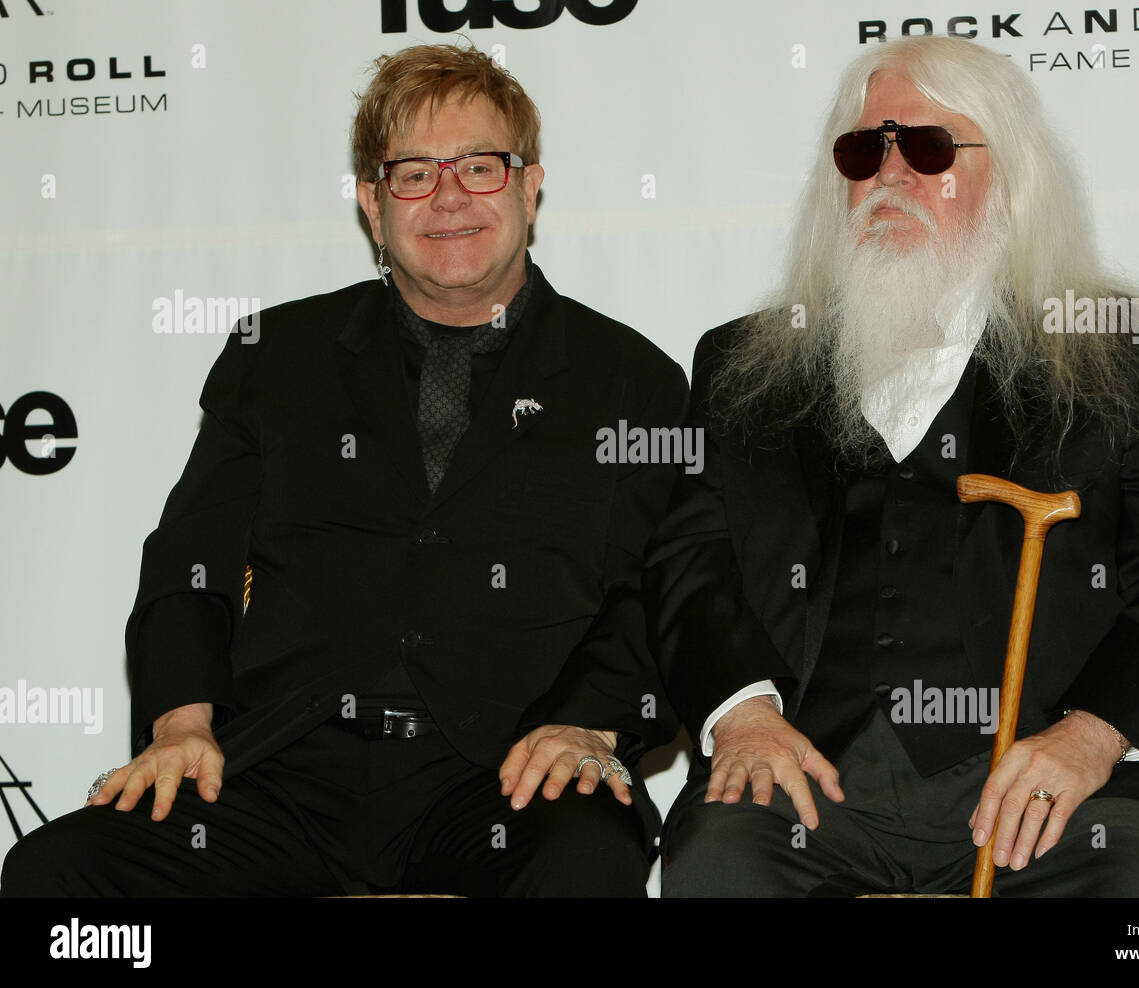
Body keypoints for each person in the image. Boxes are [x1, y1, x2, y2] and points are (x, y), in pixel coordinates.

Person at [2, 43, 686, 897]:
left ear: (529, 185)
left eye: (480, 166)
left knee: (584, 854)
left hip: (506, 773)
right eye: (412, 174)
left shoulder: (631, 378)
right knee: (57, 875)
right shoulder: (275, 357)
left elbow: (650, 592)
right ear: (372, 202)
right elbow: (190, 559)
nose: (448, 197)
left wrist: (588, 725)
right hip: (281, 772)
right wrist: (181, 721)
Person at [645, 36, 1139, 897]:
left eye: (927, 148)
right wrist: (742, 713)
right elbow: (688, 562)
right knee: (717, 860)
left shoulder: (1118, 352)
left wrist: (1090, 736)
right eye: (863, 152)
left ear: (1012, 177)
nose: (889, 177)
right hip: (811, 778)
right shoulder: (747, 364)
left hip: (1052, 782)